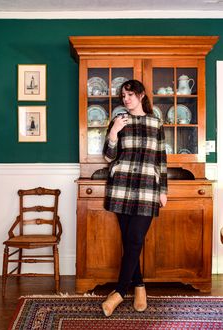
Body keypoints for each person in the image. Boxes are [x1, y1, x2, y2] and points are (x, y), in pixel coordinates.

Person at [102, 79, 168, 317]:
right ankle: (139, 287)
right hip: (121, 187)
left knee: (135, 239)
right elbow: (109, 157)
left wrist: (163, 190)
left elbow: (161, 159)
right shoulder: (119, 121)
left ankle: (119, 292)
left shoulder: (156, 123)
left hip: (148, 189)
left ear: (141, 95)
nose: (125, 99)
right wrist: (113, 132)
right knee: (130, 240)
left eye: (129, 94)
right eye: (123, 96)